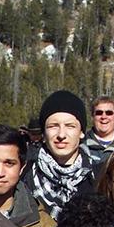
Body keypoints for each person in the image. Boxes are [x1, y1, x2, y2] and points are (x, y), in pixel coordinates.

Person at [22, 90, 95, 219]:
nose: (61, 135)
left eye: (70, 126)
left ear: (81, 132)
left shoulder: (97, 178)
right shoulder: (25, 176)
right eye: (53, 126)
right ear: (43, 134)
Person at [83, 96, 114, 165]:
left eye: (109, 113)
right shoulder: (81, 144)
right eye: (99, 113)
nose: (104, 117)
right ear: (92, 117)